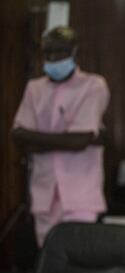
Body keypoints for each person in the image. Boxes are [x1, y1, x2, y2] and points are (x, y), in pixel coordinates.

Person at [11, 26, 109, 247]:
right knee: (48, 261)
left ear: (74, 51)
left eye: (61, 51)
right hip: (44, 189)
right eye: (48, 53)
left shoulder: (93, 85)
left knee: (78, 259)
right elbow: (17, 137)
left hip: (80, 191)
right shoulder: (34, 89)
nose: (54, 58)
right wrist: (70, 140)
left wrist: (36, 139)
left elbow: (79, 141)